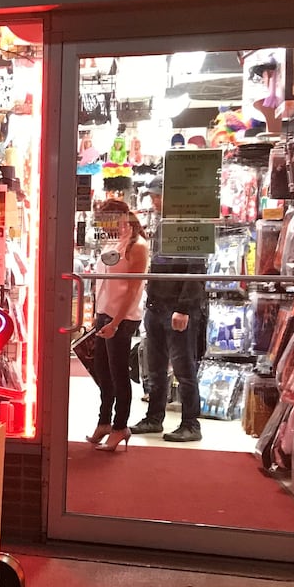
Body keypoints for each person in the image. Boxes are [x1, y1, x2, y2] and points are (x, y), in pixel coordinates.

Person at [130, 178, 206, 442]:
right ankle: (154, 417)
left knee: (184, 369)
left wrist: (184, 307)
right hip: (157, 304)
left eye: (157, 196)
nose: (154, 201)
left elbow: (196, 269)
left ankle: (190, 423)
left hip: (176, 307)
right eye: (152, 196)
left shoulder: (191, 224)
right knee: (156, 367)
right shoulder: (164, 223)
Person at [88, 199, 149, 452]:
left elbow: (133, 289)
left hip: (121, 318)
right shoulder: (114, 242)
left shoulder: (138, 246)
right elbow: (103, 282)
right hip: (105, 313)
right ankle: (105, 421)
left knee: (118, 373)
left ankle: (120, 425)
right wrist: (98, 314)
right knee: (103, 371)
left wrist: (115, 321)